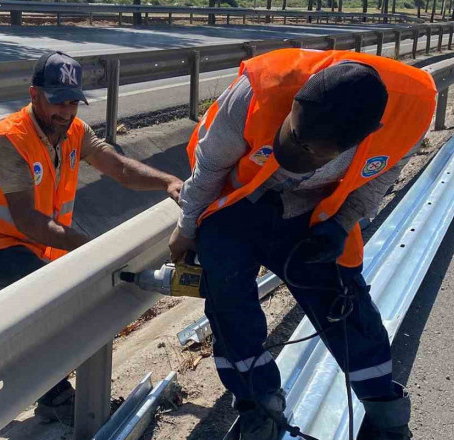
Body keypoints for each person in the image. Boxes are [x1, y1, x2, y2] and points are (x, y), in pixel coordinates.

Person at [168, 49, 436, 440]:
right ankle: (260, 408)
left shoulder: (410, 110)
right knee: (229, 305)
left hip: (312, 213)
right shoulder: (258, 91)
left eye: (314, 152)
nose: (301, 152)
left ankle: (386, 418)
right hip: (237, 204)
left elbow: (384, 171)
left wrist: (342, 224)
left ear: (365, 135)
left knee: (345, 306)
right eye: (297, 138)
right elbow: (209, 166)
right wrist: (188, 227)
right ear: (296, 104)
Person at [0, 51, 184, 426]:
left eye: (73, 101)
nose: (65, 111)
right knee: (46, 310)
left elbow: (118, 167)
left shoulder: (74, 132)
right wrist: (92, 250)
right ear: (34, 95)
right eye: (57, 101)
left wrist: (167, 181)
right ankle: (56, 397)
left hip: (29, 243)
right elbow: (28, 220)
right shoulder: (8, 141)